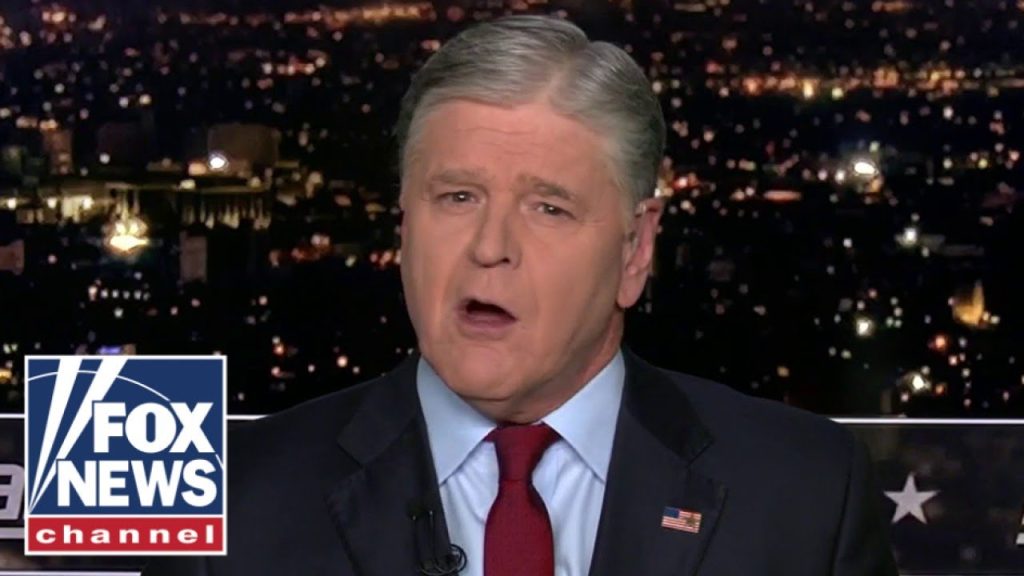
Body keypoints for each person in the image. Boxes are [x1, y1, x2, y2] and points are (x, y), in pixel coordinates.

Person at [144, 15, 898, 576]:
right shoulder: (229, 504)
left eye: (549, 208)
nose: (490, 245)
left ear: (635, 249)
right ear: (403, 225)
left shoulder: (806, 495)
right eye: (458, 196)